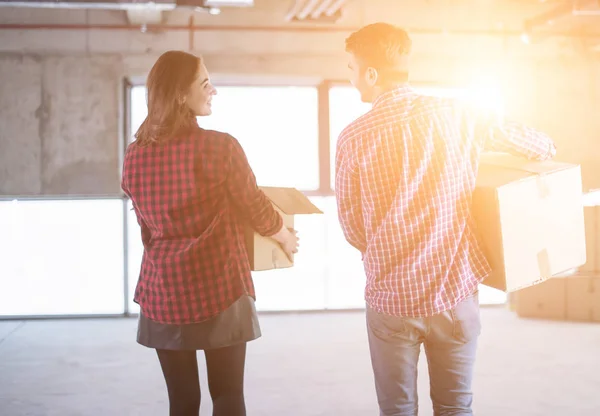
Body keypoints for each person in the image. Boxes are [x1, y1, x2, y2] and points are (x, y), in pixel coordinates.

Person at [334, 23, 556, 416]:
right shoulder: (459, 115)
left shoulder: (353, 137)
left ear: (370, 73)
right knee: (455, 407)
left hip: (390, 298)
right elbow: (539, 146)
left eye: (351, 68)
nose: (351, 78)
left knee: (397, 410)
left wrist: (388, 245)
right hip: (453, 294)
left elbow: (352, 227)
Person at [121, 50, 299, 416]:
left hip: (163, 292)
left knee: (182, 402)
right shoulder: (220, 147)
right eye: (205, 83)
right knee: (228, 397)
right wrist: (284, 236)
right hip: (220, 287)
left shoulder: (135, 155)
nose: (213, 89)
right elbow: (255, 205)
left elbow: (146, 228)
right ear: (181, 95)